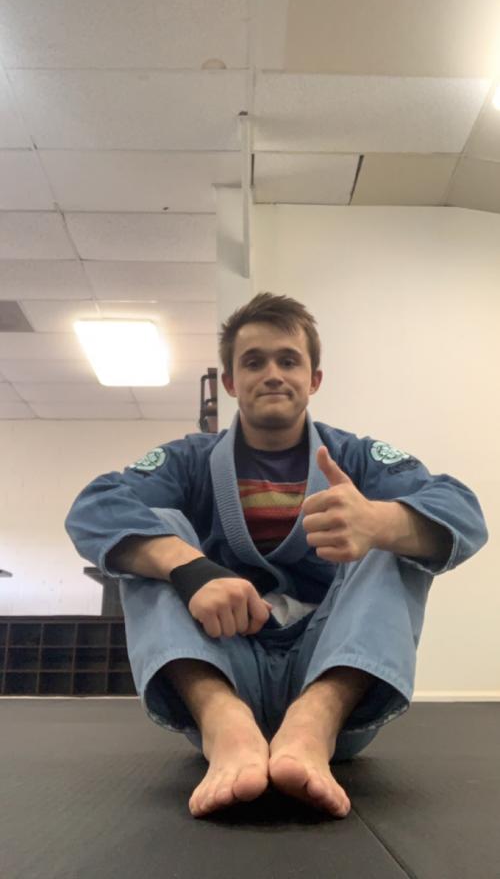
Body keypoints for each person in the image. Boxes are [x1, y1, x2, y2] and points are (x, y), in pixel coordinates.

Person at [65, 292, 488, 820]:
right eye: (253, 362)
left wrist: (376, 522)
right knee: (155, 534)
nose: (272, 374)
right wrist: (190, 568)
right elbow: (93, 507)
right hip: (224, 666)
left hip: (332, 677)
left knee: (391, 531)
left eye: (288, 360)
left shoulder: (355, 457)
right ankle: (226, 725)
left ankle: (313, 725)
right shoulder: (189, 462)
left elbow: (463, 510)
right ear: (229, 382)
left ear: (314, 379)